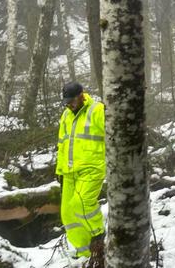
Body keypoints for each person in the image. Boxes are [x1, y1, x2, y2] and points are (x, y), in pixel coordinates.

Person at [56, 82, 105, 267]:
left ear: (81, 95)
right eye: (66, 102)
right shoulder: (66, 115)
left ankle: (99, 236)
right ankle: (85, 253)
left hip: (92, 167)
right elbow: (62, 144)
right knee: (67, 214)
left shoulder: (97, 110)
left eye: (71, 101)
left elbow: (116, 134)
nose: (69, 105)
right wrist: (59, 171)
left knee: (82, 203)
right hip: (69, 171)